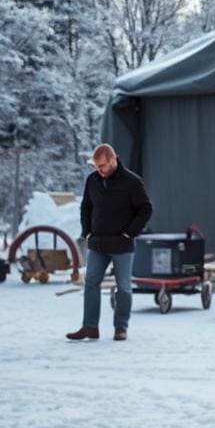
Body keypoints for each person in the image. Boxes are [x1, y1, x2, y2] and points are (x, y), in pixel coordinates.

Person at [67, 144, 153, 341]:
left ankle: (120, 327)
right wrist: (87, 231)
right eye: (96, 166)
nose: (99, 170)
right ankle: (89, 327)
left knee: (123, 287)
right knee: (91, 283)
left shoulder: (132, 182)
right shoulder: (92, 180)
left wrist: (129, 233)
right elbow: (86, 208)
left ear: (113, 161)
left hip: (122, 245)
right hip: (97, 243)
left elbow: (146, 209)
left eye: (103, 166)